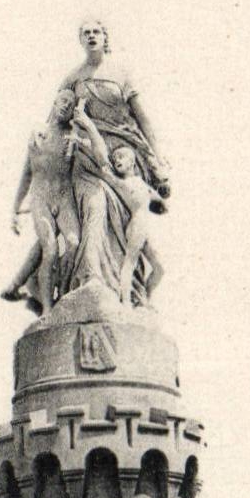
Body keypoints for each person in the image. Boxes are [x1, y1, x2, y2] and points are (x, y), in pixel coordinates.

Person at [60, 21, 171, 305]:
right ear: (80, 40)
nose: (91, 36)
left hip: (123, 155)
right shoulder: (73, 78)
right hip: (88, 156)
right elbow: (57, 120)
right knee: (95, 207)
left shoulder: (121, 73)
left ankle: (127, 293)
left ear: (105, 37)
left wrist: (157, 158)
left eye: (96, 31)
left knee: (125, 222)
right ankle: (90, 278)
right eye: (85, 32)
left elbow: (142, 118)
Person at [73, 100, 165, 304]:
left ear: (132, 162)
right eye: (115, 160)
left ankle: (144, 300)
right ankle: (126, 303)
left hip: (144, 226)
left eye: (121, 158)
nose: (117, 161)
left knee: (159, 268)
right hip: (135, 226)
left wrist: (161, 198)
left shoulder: (140, 182)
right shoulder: (120, 183)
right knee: (129, 264)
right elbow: (103, 172)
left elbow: (158, 200)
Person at [1, 89, 82, 316]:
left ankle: (63, 292)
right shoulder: (39, 133)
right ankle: (47, 307)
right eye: (62, 100)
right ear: (54, 102)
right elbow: (26, 174)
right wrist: (16, 209)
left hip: (64, 198)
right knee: (50, 247)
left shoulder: (72, 137)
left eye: (70, 103)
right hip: (41, 198)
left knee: (74, 243)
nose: (65, 105)